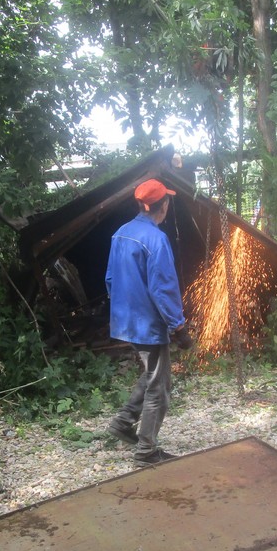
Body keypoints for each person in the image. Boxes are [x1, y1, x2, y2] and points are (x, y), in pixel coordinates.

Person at [105, 178, 194, 467]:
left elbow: (110, 280)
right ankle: (146, 451)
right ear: (163, 205)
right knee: (160, 385)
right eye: (167, 200)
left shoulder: (121, 233)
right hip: (148, 324)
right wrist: (178, 326)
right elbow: (162, 288)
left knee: (152, 373)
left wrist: (125, 309)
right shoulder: (156, 239)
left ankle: (123, 422)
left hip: (126, 321)